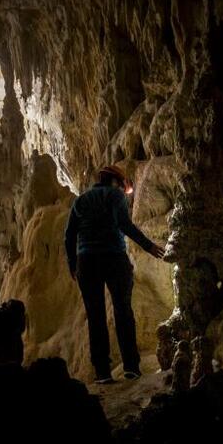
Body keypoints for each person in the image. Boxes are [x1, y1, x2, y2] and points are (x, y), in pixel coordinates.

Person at [64, 164, 166, 383]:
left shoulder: (80, 201)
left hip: (86, 261)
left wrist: (72, 263)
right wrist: (148, 246)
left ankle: (102, 373)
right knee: (122, 311)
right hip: (113, 258)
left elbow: (69, 234)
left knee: (96, 315)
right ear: (116, 182)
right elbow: (124, 224)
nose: (122, 189)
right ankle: (131, 367)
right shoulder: (115, 196)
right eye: (122, 185)